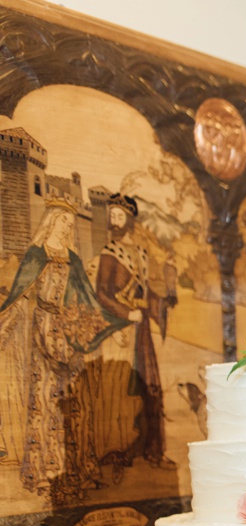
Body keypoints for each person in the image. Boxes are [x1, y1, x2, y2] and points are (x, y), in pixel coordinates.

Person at [0, 197, 125, 501]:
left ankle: (78, 470)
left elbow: (88, 303)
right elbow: (19, 295)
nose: (68, 226)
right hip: (43, 332)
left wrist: (112, 330)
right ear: (51, 221)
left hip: (69, 338)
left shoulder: (74, 260)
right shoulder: (35, 255)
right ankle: (44, 475)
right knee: (44, 403)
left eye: (71, 222)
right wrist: (4, 321)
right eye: (63, 221)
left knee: (75, 404)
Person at [94, 193, 177, 470]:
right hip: (119, 328)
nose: (114, 222)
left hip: (139, 330)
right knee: (121, 387)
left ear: (129, 220)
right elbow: (102, 294)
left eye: (119, 217)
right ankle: (119, 451)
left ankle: (153, 450)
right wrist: (125, 312)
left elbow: (147, 293)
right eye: (112, 217)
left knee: (148, 385)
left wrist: (166, 297)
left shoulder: (141, 254)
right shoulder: (109, 253)